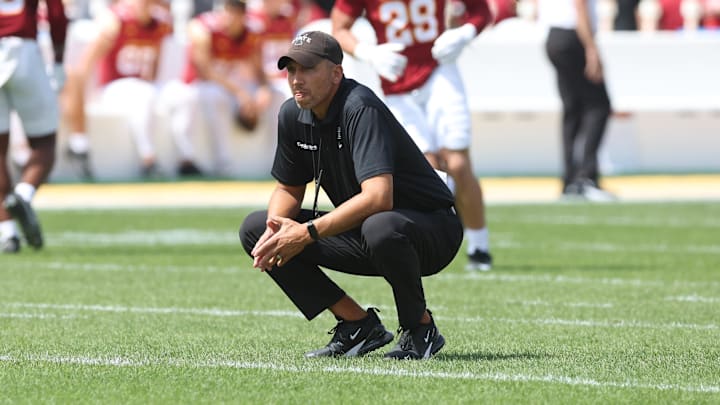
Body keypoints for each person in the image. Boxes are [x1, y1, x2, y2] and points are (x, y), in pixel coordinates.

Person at [238, 31, 463, 360]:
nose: (297, 79)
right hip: (368, 230)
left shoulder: (360, 107)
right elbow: (288, 187)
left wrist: (306, 232)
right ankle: (357, 324)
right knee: (256, 228)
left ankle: (420, 328)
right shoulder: (291, 114)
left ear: (336, 74)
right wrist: (277, 231)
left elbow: (378, 198)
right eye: (291, 70)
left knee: (380, 226)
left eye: (308, 69)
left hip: (431, 231)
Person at [331, 0, 494, 271]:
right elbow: (340, 27)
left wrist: (464, 33)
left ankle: (479, 247)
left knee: (458, 163)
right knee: (427, 168)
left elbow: (481, 10)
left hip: (439, 69)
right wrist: (367, 52)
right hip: (396, 80)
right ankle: (439, 243)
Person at [61, 0, 175, 178]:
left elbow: (155, 66)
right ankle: (148, 158)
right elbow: (85, 65)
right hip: (114, 87)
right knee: (144, 94)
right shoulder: (116, 20)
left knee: (164, 93)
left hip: (143, 87)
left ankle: (184, 159)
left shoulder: (160, 23)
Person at [159, 0, 272, 176]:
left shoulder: (252, 31)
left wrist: (263, 89)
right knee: (216, 96)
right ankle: (222, 161)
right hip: (197, 85)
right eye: (229, 9)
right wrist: (240, 93)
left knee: (276, 95)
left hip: (229, 86)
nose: (231, 15)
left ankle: (277, 159)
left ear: (244, 14)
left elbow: (258, 68)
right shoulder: (202, 28)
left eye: (236, 9)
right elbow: (205, 71)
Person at [1, 0, 68, 253]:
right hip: (23, 52)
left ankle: (7, 233)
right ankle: (22, 195)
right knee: (45, 142)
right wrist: (59, 61)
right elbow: (57, 13)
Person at [537, 0, 617, 202]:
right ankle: (586, 178)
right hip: (572, 36)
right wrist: (591, 48)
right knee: (599, 106)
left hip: (554, 37)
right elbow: (579, 6)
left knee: (572, 110)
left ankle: (570, 180)